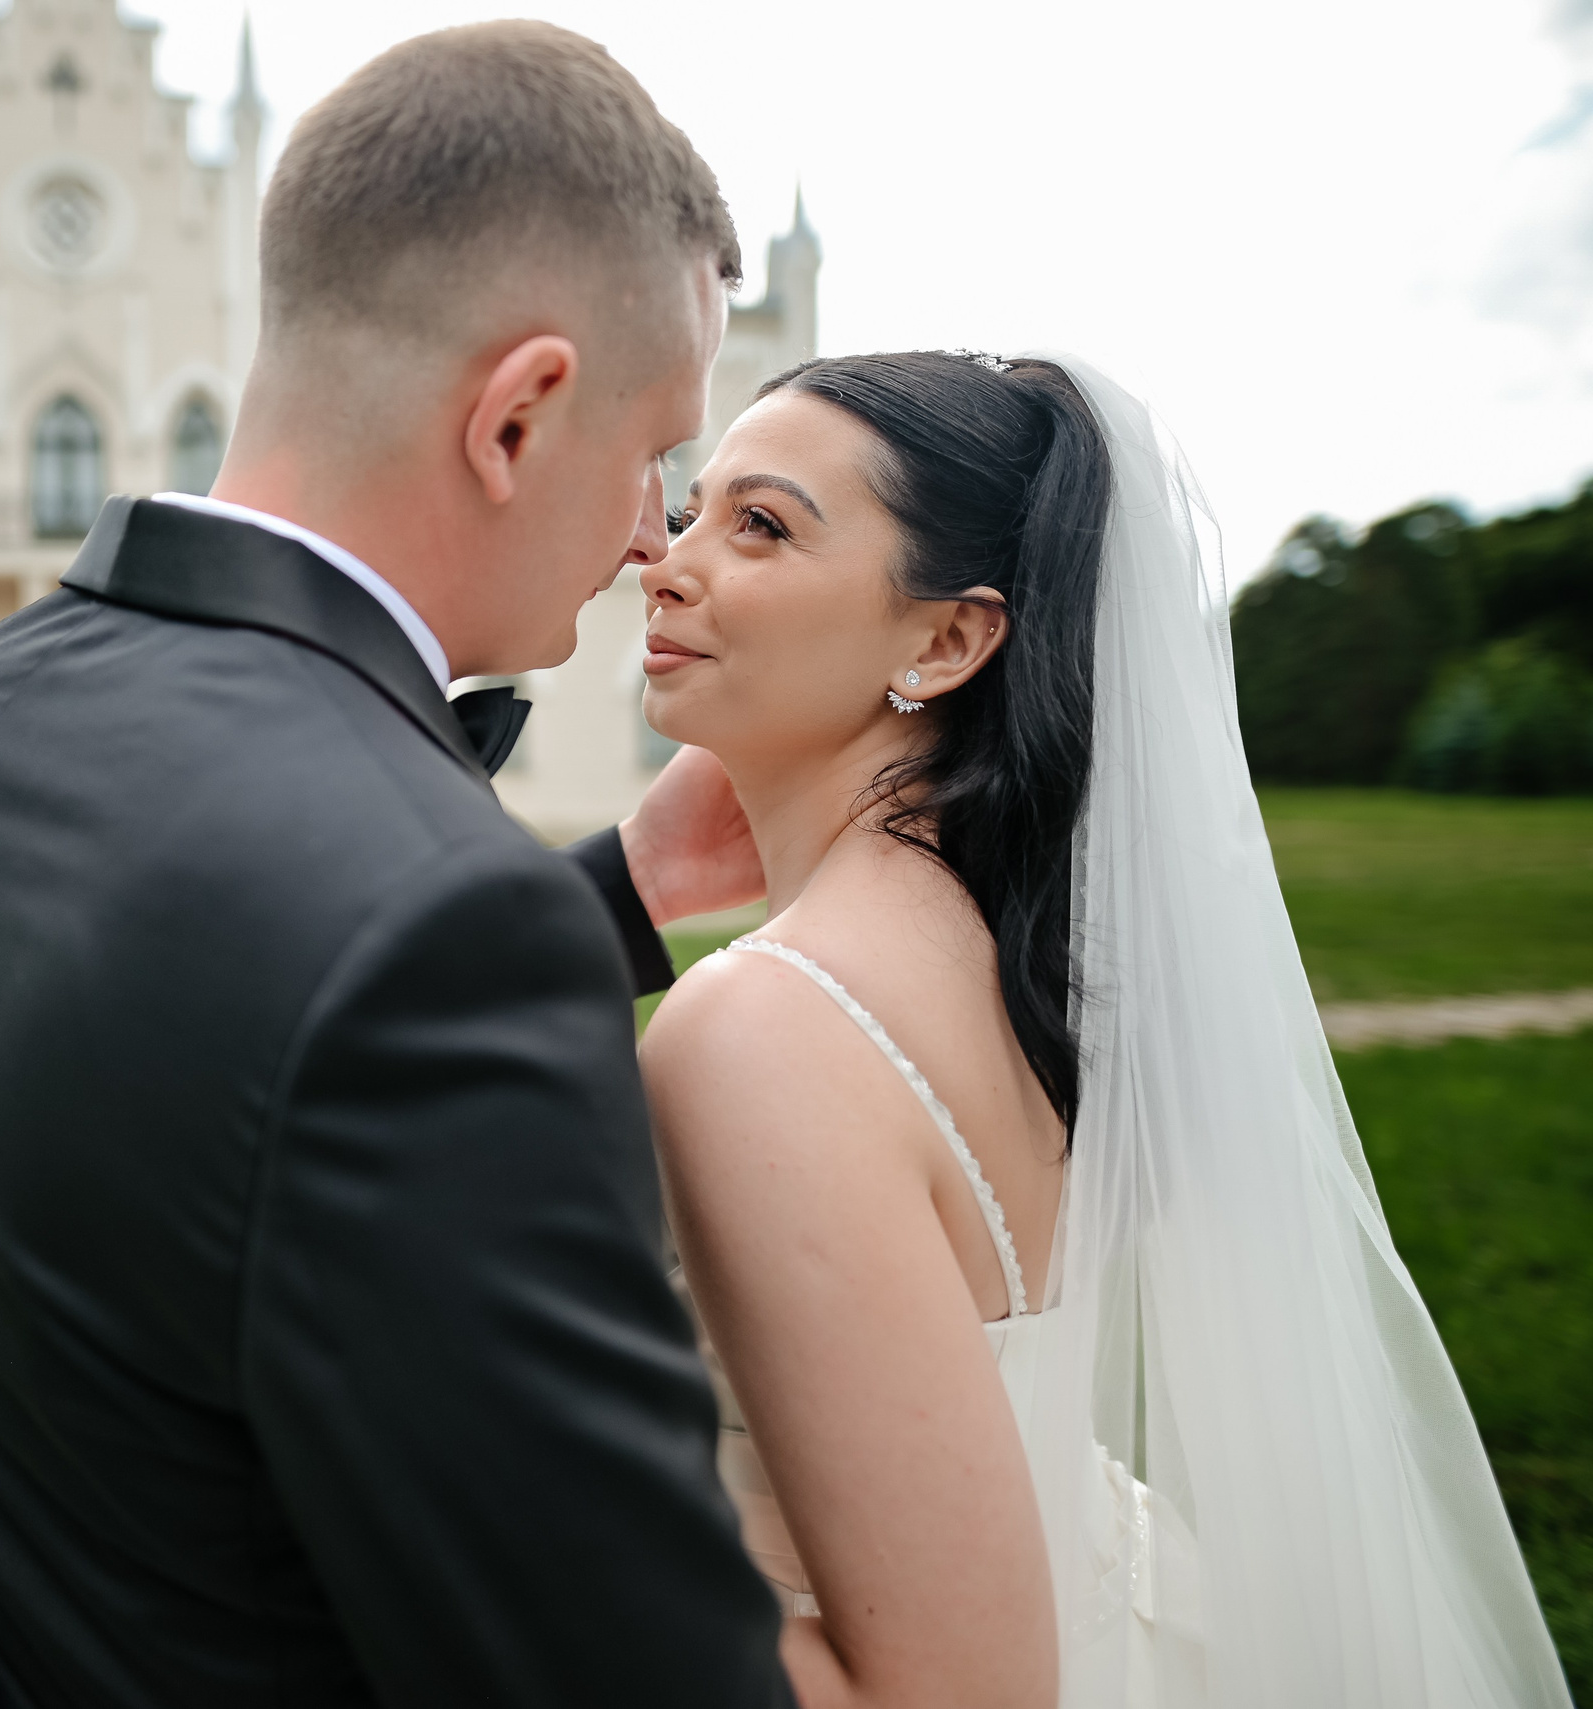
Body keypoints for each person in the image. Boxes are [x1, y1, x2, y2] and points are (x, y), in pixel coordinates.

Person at [0, 23, 795, 1706]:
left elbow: (187, 1062)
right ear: (517, 416)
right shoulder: (439, 939)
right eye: (654, 457)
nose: (655, 534)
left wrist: (617, 896)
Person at [641, 350, 1571, 1708]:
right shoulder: (1027, 964)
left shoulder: (763, 1026)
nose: (668, 562)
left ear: (946, 640)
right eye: (694, 508)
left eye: (762, 524)